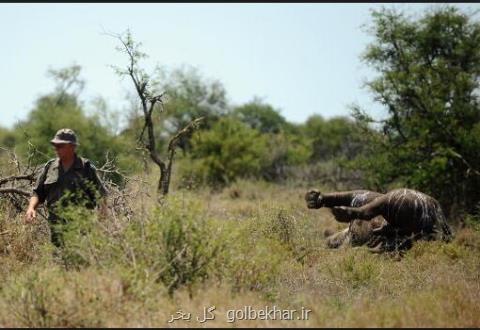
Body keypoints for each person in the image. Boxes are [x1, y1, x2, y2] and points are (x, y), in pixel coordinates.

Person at [25, 128, 108, 247]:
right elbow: (38, 193)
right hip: (56, 229)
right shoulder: (50, 167)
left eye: (60, 146)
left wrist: (101, 223)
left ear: (71, 147)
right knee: (59, 261)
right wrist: (31, 208)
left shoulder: (86, 168)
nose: (56, 148)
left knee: (80, 262)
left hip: (81, 229)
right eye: (55, 145)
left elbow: (101, 196)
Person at [305, 188, 452, 252]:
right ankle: (331, 236)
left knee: (346, 240)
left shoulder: (392, 203)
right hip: (392, 224)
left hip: (387, 229)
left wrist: (347, 212)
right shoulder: (431, 206)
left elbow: (363, 212)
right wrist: (324, 200)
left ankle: (331, 237)